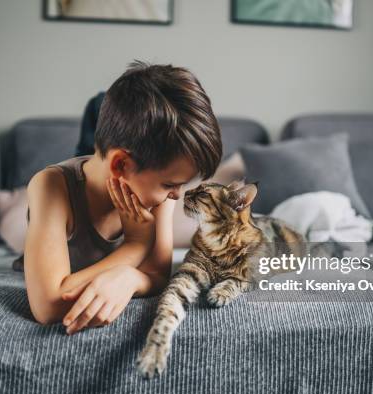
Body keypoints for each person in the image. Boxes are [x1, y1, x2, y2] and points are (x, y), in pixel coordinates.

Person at [21, 60, 223, 334]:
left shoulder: (164, 196)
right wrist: (136, 245)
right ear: (121, 165)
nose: (176, 195)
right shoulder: (51, 187)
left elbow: (158, 275)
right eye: (169, 184)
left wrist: (129, 278)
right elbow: (47, 307)